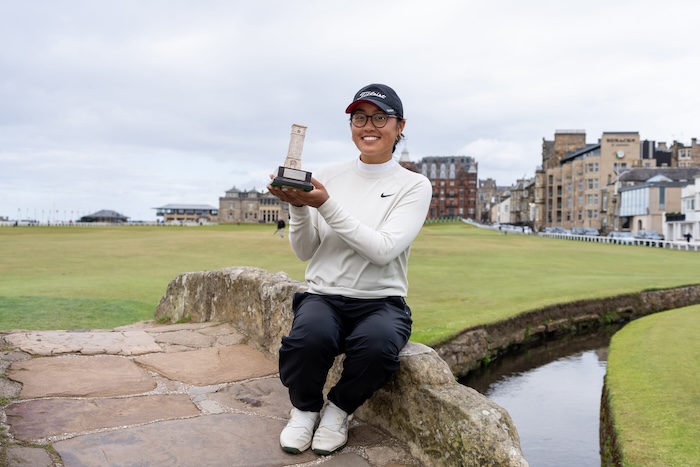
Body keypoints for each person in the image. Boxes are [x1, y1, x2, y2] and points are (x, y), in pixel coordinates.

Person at [267, 83, 432, 456]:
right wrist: (298, 206)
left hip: (381, 300)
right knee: (308, 340)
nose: (368, 126)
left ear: (400, 126)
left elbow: (382, 250)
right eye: (360, 118)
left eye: (380, 118)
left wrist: (325, 204)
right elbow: (305, 251)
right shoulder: (329, 173)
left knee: (378, 349)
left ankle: (338, 410)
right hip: (324, 295)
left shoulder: (414, 185)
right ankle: (304, 410)